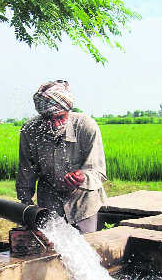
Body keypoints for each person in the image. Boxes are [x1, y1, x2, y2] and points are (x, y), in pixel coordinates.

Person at [16, 80, 108, 234]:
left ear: (68, 110)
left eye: (60, 117)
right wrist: (26, 208)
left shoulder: (86, 126)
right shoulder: (30, 131)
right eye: (47, 119)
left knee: (86, 251)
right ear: (41, 115)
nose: (54, 124)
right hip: (49, 204)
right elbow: (26, 172)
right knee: (51, 253)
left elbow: (98, 171)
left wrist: (82, 177)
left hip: (83, 205)